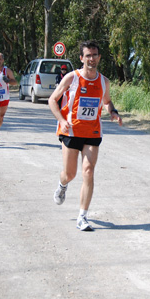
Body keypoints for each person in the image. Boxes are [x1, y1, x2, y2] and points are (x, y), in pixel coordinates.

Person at [48, 40, 123, 231]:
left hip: (93, 132)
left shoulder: (103, 81)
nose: (92, 58)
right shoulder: (71, 79)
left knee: (88, 171)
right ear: (81, 58)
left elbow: (107, 101)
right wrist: (62, 120)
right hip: (71, 131)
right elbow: (52, 100)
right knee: (70, 174)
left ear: (99, 57)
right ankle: (62, 184)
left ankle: (82, 216)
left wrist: (113, 112)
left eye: (95, 55)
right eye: (88, 55)